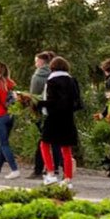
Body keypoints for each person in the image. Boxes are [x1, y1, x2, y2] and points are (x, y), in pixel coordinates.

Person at [37, 56, 83, 188]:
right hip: (68, 118)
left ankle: (51, 173)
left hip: (54, 117)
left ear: (52, 68)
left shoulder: (51, 81)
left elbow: (52, 101)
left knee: (45, 144)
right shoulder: (72, 81)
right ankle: (68, 179)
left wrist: (38, 103)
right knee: (66, 149)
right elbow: (78, 103)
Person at [27, 51, 54, 179]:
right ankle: (52, 167)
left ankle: (38, 169)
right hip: (54, 110)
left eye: (36, 61)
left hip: (40, 110)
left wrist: (32, 109)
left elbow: (33, 96)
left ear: (41, 62)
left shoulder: (37, 76)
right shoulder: (53, 74)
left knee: (43, 140)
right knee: (53, 141)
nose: (35, 63)